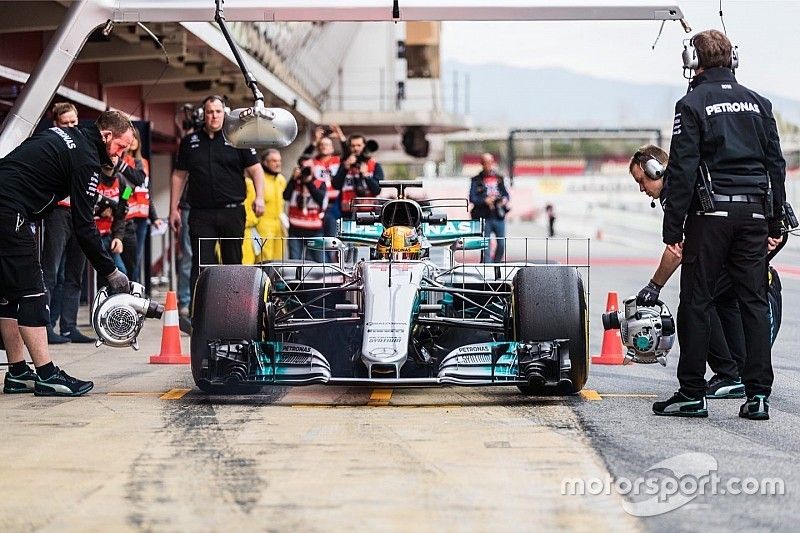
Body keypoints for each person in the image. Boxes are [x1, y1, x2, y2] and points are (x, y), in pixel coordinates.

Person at [652, 30, 786, 420]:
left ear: (692, 60)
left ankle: (692, 394)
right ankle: (757, 396)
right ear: (733, 59)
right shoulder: (760, 104)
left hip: (709, 219)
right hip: (754, 217)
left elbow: (683, 169)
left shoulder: (691, 104)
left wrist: (672, 228)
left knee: (696, 302)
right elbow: (775, 166)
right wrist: (775, 220)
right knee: (754, 304)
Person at [0, 110, 133, 397]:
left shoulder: (69, 136)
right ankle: (47, 375)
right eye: (120, 146)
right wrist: (110, 272)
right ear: (106, 135)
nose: (120, 155)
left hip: (7, 202)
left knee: (9, 295)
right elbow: (84, 227)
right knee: (33, 292)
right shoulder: (87, 158)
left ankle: (18, 372)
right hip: (9, 209)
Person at [630, 145, 751, 399]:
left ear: (655, 170)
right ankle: (737, 374)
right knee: (724, 300)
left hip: (721, 252)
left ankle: (728, 374)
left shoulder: (675, 192)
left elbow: (677, 250)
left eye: (641, 180)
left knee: (696, 305)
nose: (642, 188)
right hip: (736, 248)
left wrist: (654, 285)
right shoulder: (689, 181)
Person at [169, 95, 266, 310]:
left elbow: (256, 170)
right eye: (209, 112)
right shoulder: (190, 142)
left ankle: (234, 312)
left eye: (218, 111)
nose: (213, 116)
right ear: (203, 114)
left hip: (232, 212)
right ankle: (201, 312)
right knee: (201, 264)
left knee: (233, 264)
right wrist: (173, 209)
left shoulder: (238, 138)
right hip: (201, 213)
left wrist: (259, 197)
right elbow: (178, 175)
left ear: (225, 113)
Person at [40, 102, 81, 344]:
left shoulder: (84, 145)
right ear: (56, 124)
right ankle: (45, 327)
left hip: (82, 215)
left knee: (73, 275)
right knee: (51, 272)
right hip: (57, 212)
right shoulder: (49, 145)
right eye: (65, 123)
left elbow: (127, 184)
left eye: (74, 122)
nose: (70, 127)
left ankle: (69, 326)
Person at [123, 127, 164, 283]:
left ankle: (134, 289)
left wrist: (154, 217)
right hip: (127, 216)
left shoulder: (144, 162)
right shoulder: (123, 161)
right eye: (131, 138)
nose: (133, 141)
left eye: (136, 138)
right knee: (127, 259)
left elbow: (146, 191)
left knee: (137, 257)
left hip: (142, 216)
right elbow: (126, 188)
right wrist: (126, 195)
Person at [284, 155, 327, 262]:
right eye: (304, 167)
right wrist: (293, 179)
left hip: (315, 231)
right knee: (294, 262)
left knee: (318, 262)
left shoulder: (319, 183)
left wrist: (308, 182)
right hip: (295, 230)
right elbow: (285, 196)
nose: (307, 170)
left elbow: (320, 199)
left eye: (309, 167)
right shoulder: (295, 182)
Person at [469, 153, 510, 263]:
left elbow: (506, 195)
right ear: (482, 164)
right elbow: (472, 198)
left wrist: (503, 200)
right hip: (484, 217)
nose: (488, 165)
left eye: (490, 162)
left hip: (498, 216)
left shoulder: (499, 178)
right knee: (486, 246)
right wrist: (485, 200)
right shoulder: (476, 180)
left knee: (501, 244)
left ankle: (495, 265)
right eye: (485, 162)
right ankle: (487, 268)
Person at [332, 133, 382, 220]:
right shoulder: (344, 165)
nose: (356, 148)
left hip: (370, 212)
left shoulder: (374, 165)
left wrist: (366, 175)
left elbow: (377, 190)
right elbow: (336, 185)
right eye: (353, 146)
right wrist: (345, 168)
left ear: (364, 146)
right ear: (349, 148)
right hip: (347, 212)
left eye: (359, 145)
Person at [257, 149, 287, 261]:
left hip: (279, 224)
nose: (278, 164)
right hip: (263, 224)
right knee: (264, 259)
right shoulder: (258, 179)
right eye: (274, 161)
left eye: (279, 161)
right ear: (265, 162)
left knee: (279, 259)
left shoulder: (281, 179)